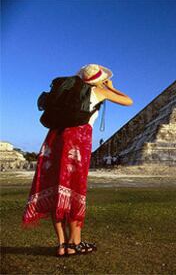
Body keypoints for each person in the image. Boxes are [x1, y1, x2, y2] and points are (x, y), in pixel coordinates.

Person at [22, 64, 133, 257]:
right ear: (98, 79)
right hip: (78, 142)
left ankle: (62, 244)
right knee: (74, 190)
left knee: (57, 189)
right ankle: (75, 243)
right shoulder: (98, 91)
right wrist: (110, 87)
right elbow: (128, 101)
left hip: (54, 140)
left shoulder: (68, 92)